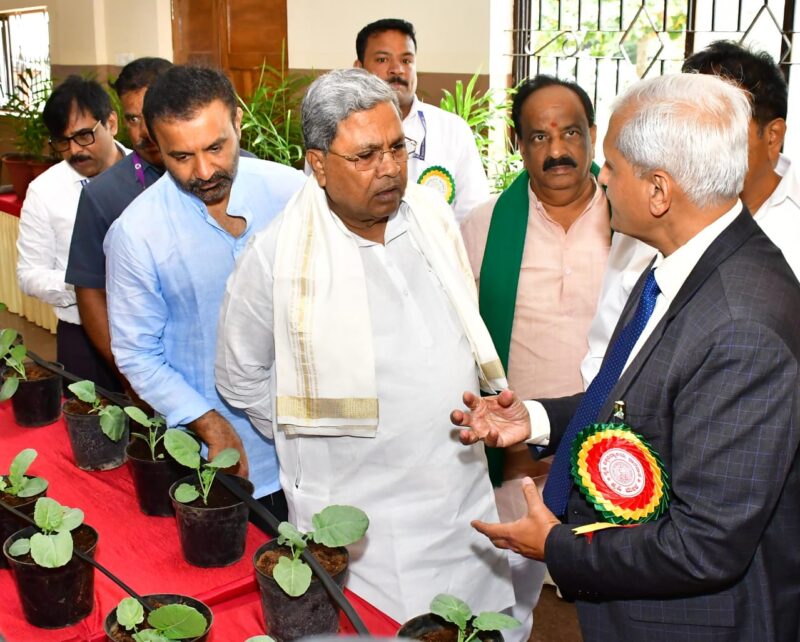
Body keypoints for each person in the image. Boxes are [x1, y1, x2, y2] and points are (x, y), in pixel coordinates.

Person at [452, 73, 800, 641]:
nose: (602, 178)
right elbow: (637, 400)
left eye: (612, 166)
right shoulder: (677, 264)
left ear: (659, 191)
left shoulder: (742, 326)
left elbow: (704, 544)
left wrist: (557, 547)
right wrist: (534, 418)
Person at [215, 68, 513, 623]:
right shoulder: (276, 257)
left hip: (456, 484)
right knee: (381, 624)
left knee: (478, 620)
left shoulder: (429, 214)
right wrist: (312, 430)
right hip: (363, 511)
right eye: (366, 155)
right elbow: (239, 375)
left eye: (397, 147)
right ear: (318, 163)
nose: (390, 168)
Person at [105, 66, 305, 518]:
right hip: (220, 460)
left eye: (216, 147)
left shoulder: (292, 193)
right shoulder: (136, 234)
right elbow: (137, 354)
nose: (204, 170)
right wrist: (210, 425)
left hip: (311, 448)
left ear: (238, 121)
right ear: (155, 146)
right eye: (181, 156)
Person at [459, 74, 611, 638]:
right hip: (521, 447)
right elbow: (458, 329)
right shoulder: (484, 225)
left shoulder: (635, 220)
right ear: (518, 144)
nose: (557, 150)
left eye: (570, 132)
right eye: (539, 137)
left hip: (617, 439)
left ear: (592, 134)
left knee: (617, 590)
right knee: (509, 596)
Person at [581, 40, 800, 386]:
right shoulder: (646, 214)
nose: (696, 137)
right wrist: (593, 417)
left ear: (773, 136)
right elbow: (606, 346)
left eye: (721, 120)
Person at [65, 57, 172, 395]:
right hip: (145, 363)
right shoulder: (102, 195)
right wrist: (131, 376)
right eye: (132, 119)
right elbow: (90, 292)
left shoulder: (224, 173)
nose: (143, 131)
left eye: (151, 114)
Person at [16, 75, 126, 388]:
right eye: (63, 142)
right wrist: (86, 286)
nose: (74, 150)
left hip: (155, 330)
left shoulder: (149, 174)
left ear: (111, 123)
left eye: (83, 136)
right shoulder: (45, 191)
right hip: (82, 337)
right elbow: (29, 274)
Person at [355, 18, 489, 221]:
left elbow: (473, 217)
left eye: (406, 61)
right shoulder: (338, 132)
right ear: (359, 69)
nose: (397, 69)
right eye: (382, 60)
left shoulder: (453, 130)